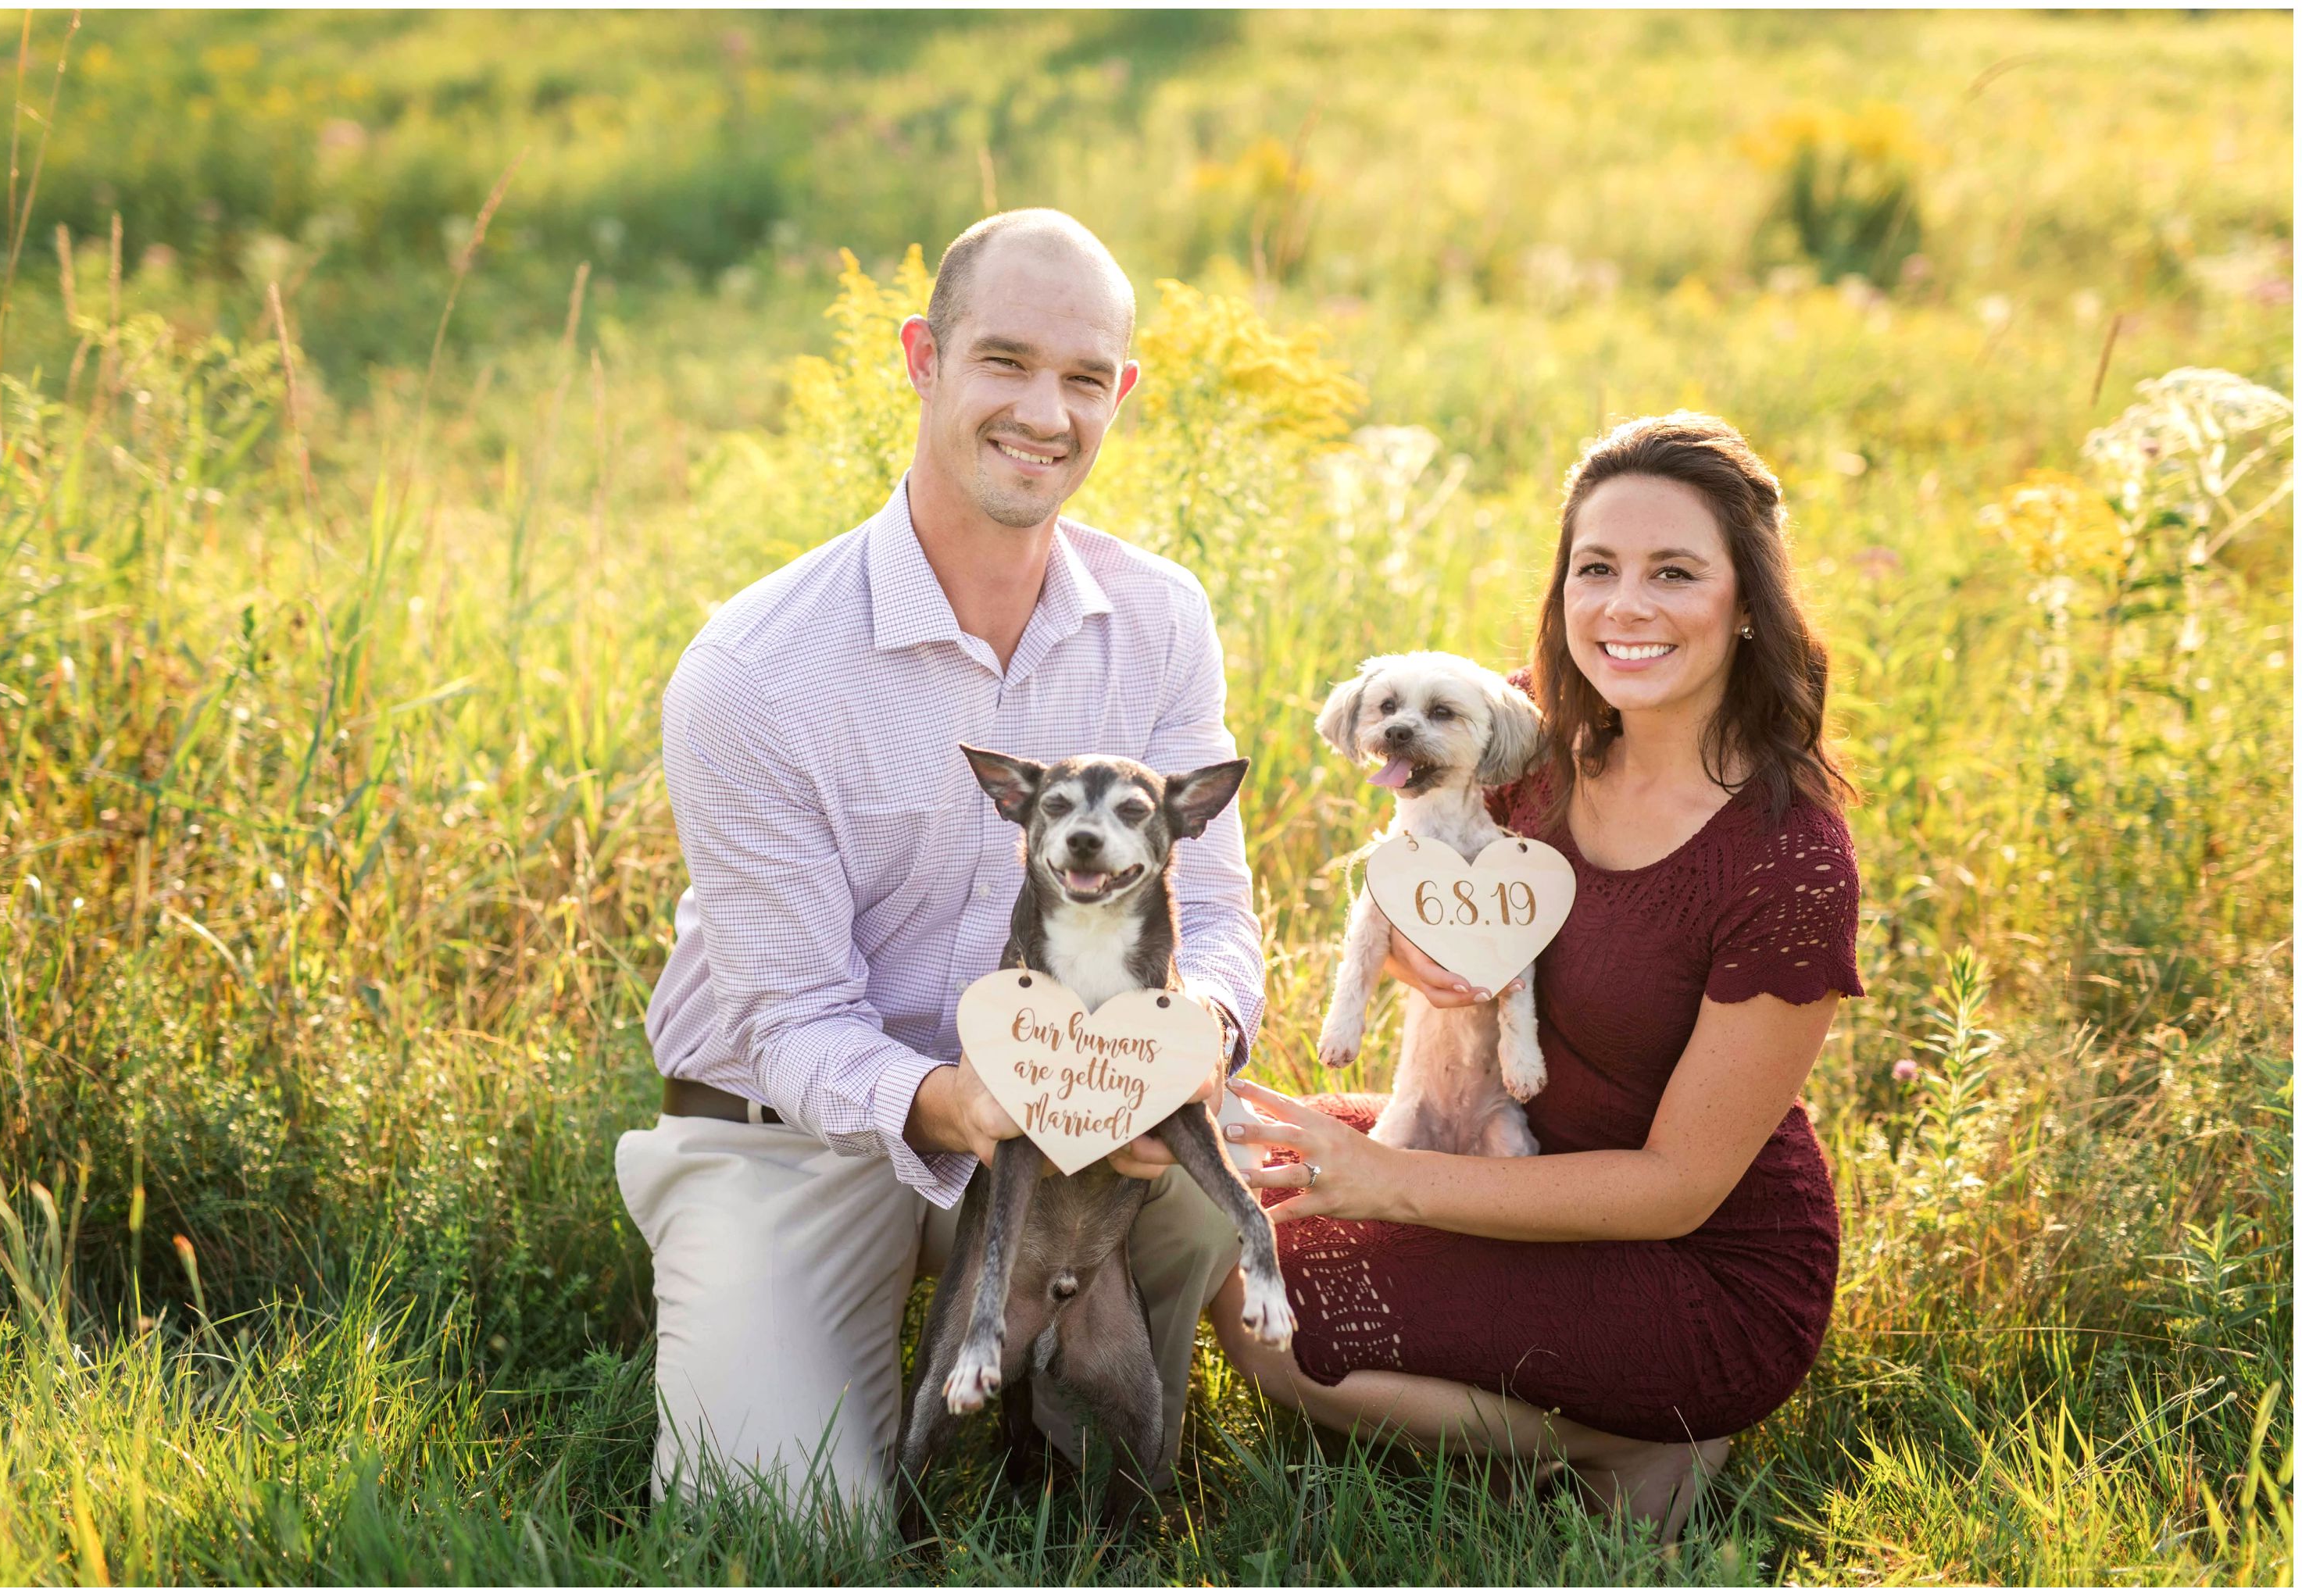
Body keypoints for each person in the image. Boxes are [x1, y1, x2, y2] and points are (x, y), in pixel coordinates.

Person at [617, 209, 1264, 1516]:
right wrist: (956, 1106)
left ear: (1121, 394)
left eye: (1085, 379)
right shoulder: (754, 672)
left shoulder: (1159, 617)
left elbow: (1227, 917)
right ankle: (828, 1346)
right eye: (1004, 362)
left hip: (1073, 1122)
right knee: (784, 1517)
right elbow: (793, 1019)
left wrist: (1189, 1038)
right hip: (794, 1133)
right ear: (922, 358)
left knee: (1213, 1185)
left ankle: (1064, 1422)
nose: (1045, 411)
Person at [1209, 412, 1862, 1544]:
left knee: (1276, 1313)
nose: (1624, 607)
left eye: (1674, 572)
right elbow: (1416, 883)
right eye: (1594, 568)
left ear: (1747, 601)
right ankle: (1540, 1402)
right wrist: (1415, 956)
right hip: (1509, 1144)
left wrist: (1384, 1182)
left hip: (1695, 1261)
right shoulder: (1525, 737)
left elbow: (1676, 1186)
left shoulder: (1787, 859)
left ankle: (1637, 1436)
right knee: (1216, 1196)